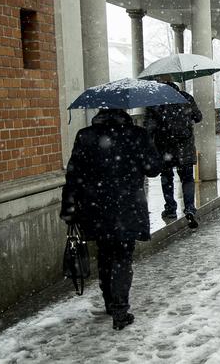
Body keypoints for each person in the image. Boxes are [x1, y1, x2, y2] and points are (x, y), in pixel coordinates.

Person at [60, 109, 161, 330]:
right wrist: (149, 143)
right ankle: (120, 310)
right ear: (124, 112)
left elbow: (73, 174)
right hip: (128, 207)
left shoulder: (85, 135)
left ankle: (109, 302)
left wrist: (68, 206)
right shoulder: (137, 135)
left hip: (96, 208)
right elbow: (153, 169)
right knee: (123, 256)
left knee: (105, 254)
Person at [144, 79, 202, 228]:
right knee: (187, 179)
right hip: (186, 147)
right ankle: (189, 208)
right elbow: (198, 117)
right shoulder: (186, 97)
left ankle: (170, 208)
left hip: (165, 148)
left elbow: (149, 128)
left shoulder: (155, 102)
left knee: (167, 178)